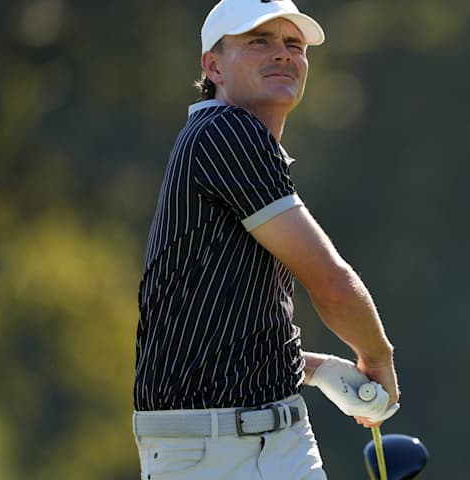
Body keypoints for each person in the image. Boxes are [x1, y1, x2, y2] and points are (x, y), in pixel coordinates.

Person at [132, 1, 399, 478]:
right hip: (214, 453)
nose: (282, 54)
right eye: (259, 41)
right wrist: (377, 358)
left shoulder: (236, 144)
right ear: (213, 66)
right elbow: (332, 287)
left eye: (293, 44)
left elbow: (214, 324)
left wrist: (317, 369)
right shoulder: (226, 132)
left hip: (272, 438)